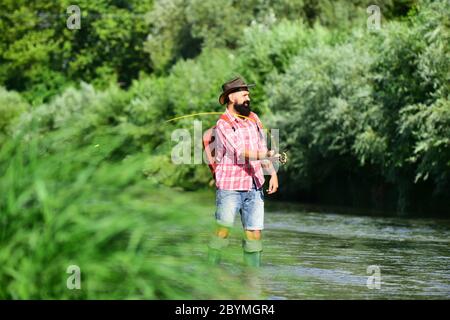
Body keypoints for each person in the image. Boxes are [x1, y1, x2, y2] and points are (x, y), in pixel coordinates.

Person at [207, 77, 281, 267]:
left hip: (255, 185)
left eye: (248, 94)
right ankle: (210, 272)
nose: (248, 97)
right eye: (245, 94)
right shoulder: (223, 124)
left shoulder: (254, 118)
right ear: (232, 97)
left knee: (254, 234)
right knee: (223, 232)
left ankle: (252, 280)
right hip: (230, 187)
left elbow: (260, 145)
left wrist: (272, 173)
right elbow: (241, 152)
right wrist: (268, 153)